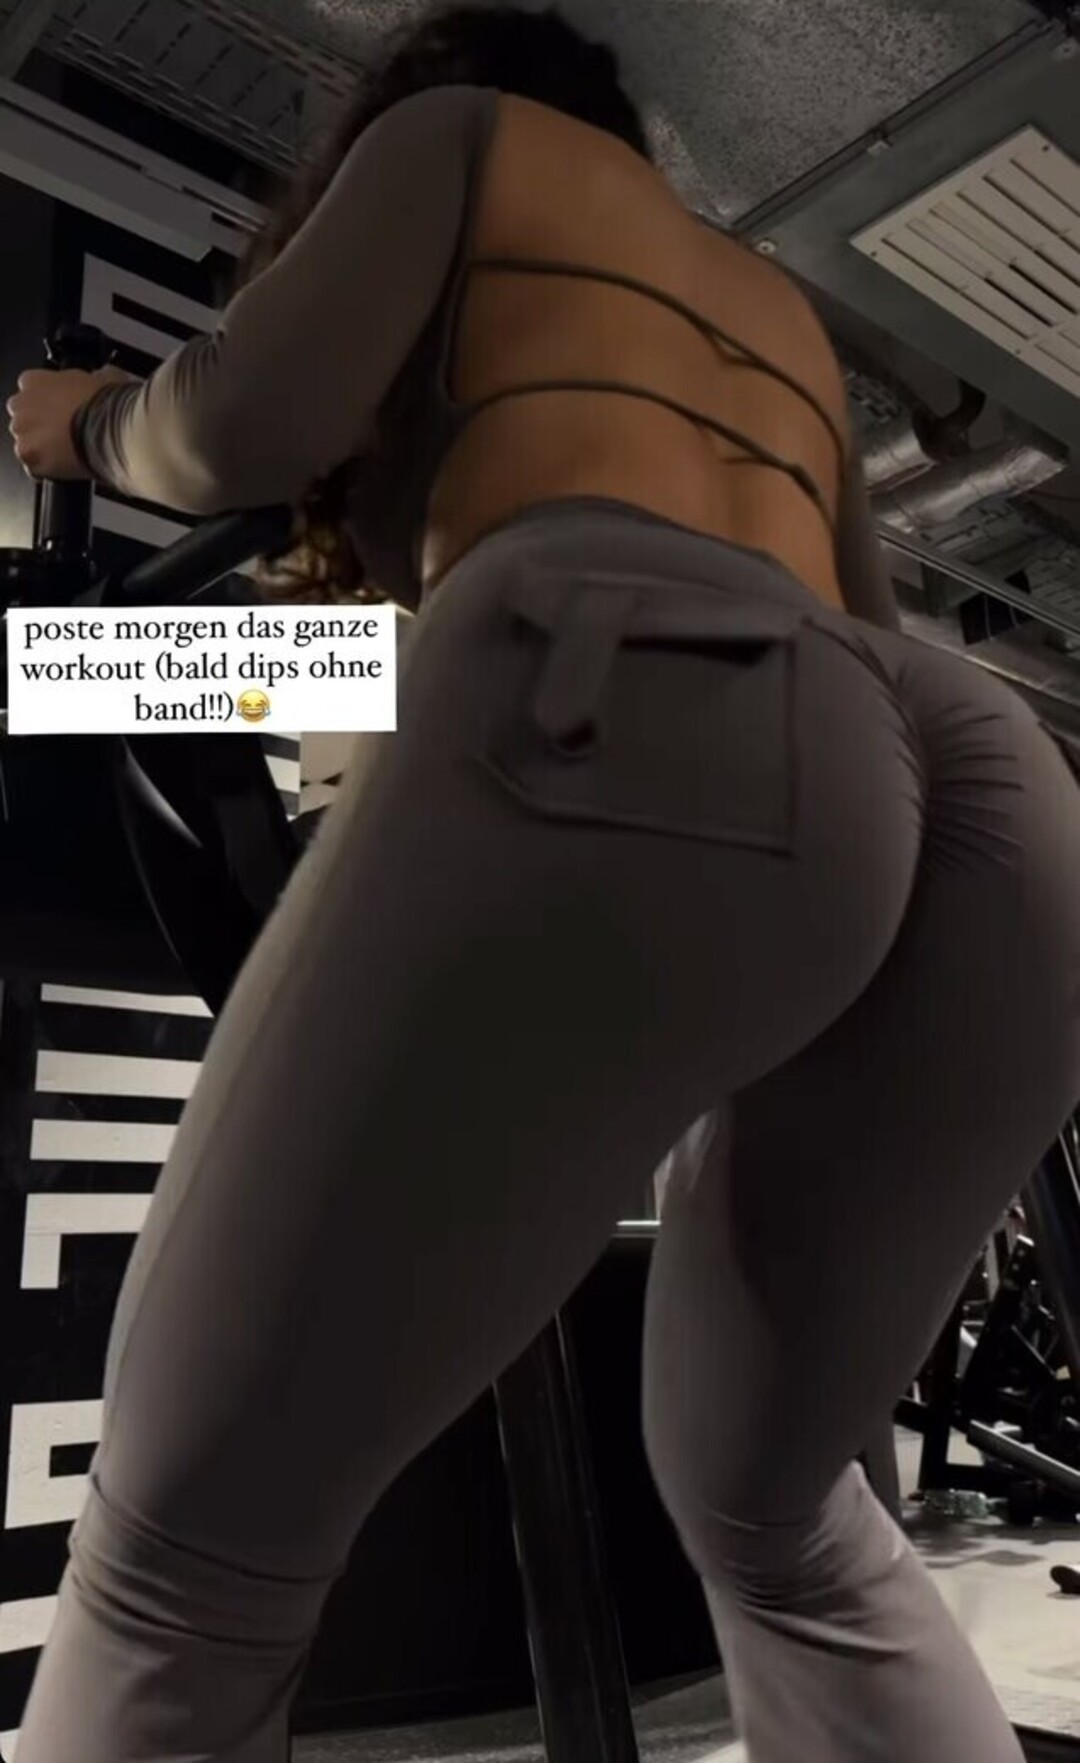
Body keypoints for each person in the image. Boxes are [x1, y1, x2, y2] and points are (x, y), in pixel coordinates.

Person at [6, 7, 1080, 1760]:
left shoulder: (459, 139)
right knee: (787, 1518)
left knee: (178, 1563)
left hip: (620, 675)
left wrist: (92, 427)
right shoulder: (763, 302)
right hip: (977, 774)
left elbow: (240, 425)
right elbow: (830, 677)